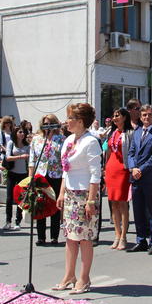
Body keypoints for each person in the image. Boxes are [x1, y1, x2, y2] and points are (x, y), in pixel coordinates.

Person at [53, 103, 102, 294]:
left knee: (84, 238)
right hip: (71, 193)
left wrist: (91, 200)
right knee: (70, 237)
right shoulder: (69, 140)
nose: (67, 121)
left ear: (80, 121)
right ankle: (69, 275)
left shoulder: (91, 141)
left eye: (70, 118)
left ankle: (84, 278)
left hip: (85, 194)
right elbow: (66, 170)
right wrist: (62, 192)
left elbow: (95, 173)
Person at [126, 104, 152, 255]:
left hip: (150, 177)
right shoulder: (136, 132)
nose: (146, 118)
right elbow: (130, 153)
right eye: (144, 115)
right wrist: (133, 168)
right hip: (136, 177)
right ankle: (141, 240)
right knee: (138, 211)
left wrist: (141, 170)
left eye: (149, 115)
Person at [29, 114, 66, 245]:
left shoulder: (61, 139)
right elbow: (32, 160)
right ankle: (41, 236)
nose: (48, 126)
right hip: (41, 175)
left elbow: (64, 159)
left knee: (55, 206)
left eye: (50, 123)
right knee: (41, 205)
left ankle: (54, 236)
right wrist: (30, 177)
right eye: (45, 124)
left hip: (56, 175)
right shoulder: (37, 139)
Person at [105, 108, 134, 250]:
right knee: (113, 204)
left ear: (124, 117)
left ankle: (123, 236)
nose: (115, 118)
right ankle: (116, 234)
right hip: (111, 169)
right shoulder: (112, 133)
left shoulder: (130, 133)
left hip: (123, 170)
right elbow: (108, 151)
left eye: (117, 115)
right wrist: (104, 169)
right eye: (114, 115)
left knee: (122, 204)